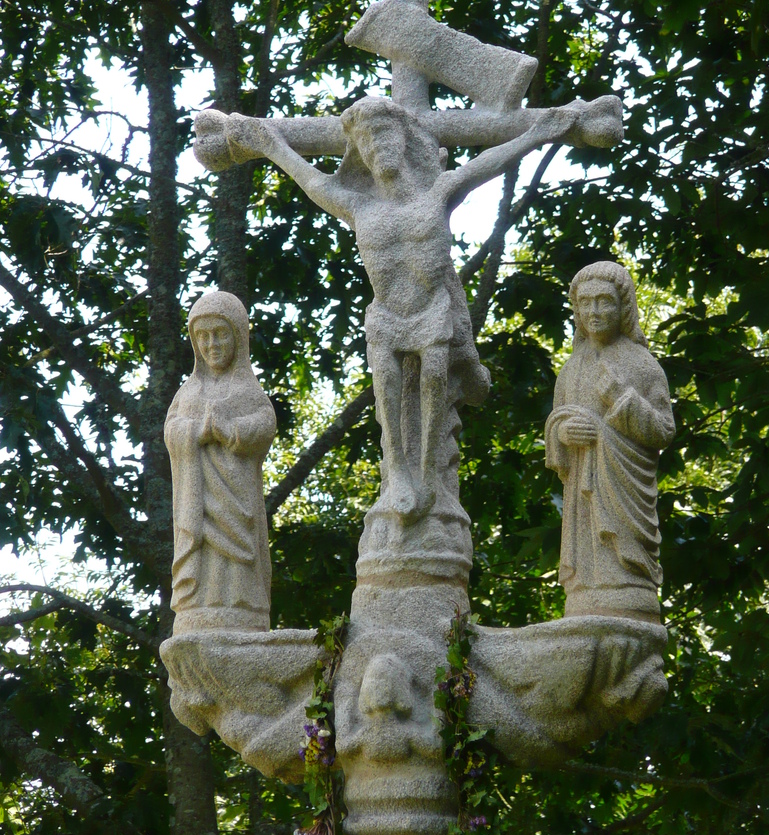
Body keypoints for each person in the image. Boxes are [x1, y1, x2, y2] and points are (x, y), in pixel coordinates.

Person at [202, 93, 620, 522]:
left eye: (384, 134)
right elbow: (310, 180)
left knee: (435, 377)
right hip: (387, 317)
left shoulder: (437, 192)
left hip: (430, 311)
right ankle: (399, 471)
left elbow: (488, 162)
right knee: (387, 387)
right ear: (358, 152)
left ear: (404, 140)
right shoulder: (358, 205)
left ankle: (426, 476)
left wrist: (538, 132)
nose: (377, 146)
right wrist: (269, 144)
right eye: (366, 140)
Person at [545, 262, 675, 622]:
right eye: (585, 304)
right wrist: (562, 433)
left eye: (604, 302)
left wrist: (622, 399)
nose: (594, 312)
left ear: (624, 307)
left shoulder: (642, 364)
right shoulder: (571, 369)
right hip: (581, 496)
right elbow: (557, 422)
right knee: (586, 581)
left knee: (624, 580)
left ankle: (628, 584)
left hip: (625, 493)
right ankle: (585, 590)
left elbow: (664, 429)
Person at [165, 290, 276, 631]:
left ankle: (242, 606)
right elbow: (172, 428)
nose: (212, 344)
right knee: (205, 557)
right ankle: (197, 604)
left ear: (238, 337)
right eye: (203, 336)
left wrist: (230, 432)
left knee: (236, 566)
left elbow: (264, 424)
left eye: (220, 334)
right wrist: (195, 433)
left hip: (236, 500)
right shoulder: (188, 392)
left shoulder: (248, 390)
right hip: (197, 505)